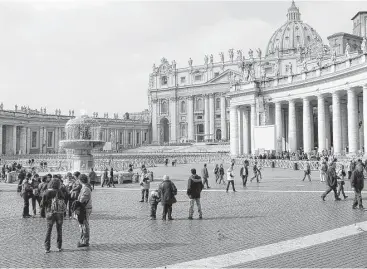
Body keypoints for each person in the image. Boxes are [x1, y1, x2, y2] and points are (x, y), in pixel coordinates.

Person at [41, 178, 66, 253]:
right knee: (59, 229)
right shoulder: (60, 192)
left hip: (50, 212)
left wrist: (42, 212)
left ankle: (47, 247)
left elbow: (42, 204)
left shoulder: (47, 192)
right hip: (59, 213)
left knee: (49, 230)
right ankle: (59, 246)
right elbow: (64, 201)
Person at [77, 174, 92, 247]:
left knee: (84, 224)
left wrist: (77, 202)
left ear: (80, 180)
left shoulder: (86, 189)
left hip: (85, 208)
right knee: (83, 224)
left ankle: (85, 241)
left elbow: (82, 200)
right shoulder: (84, 187)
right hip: (85, 208)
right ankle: (83, 239)